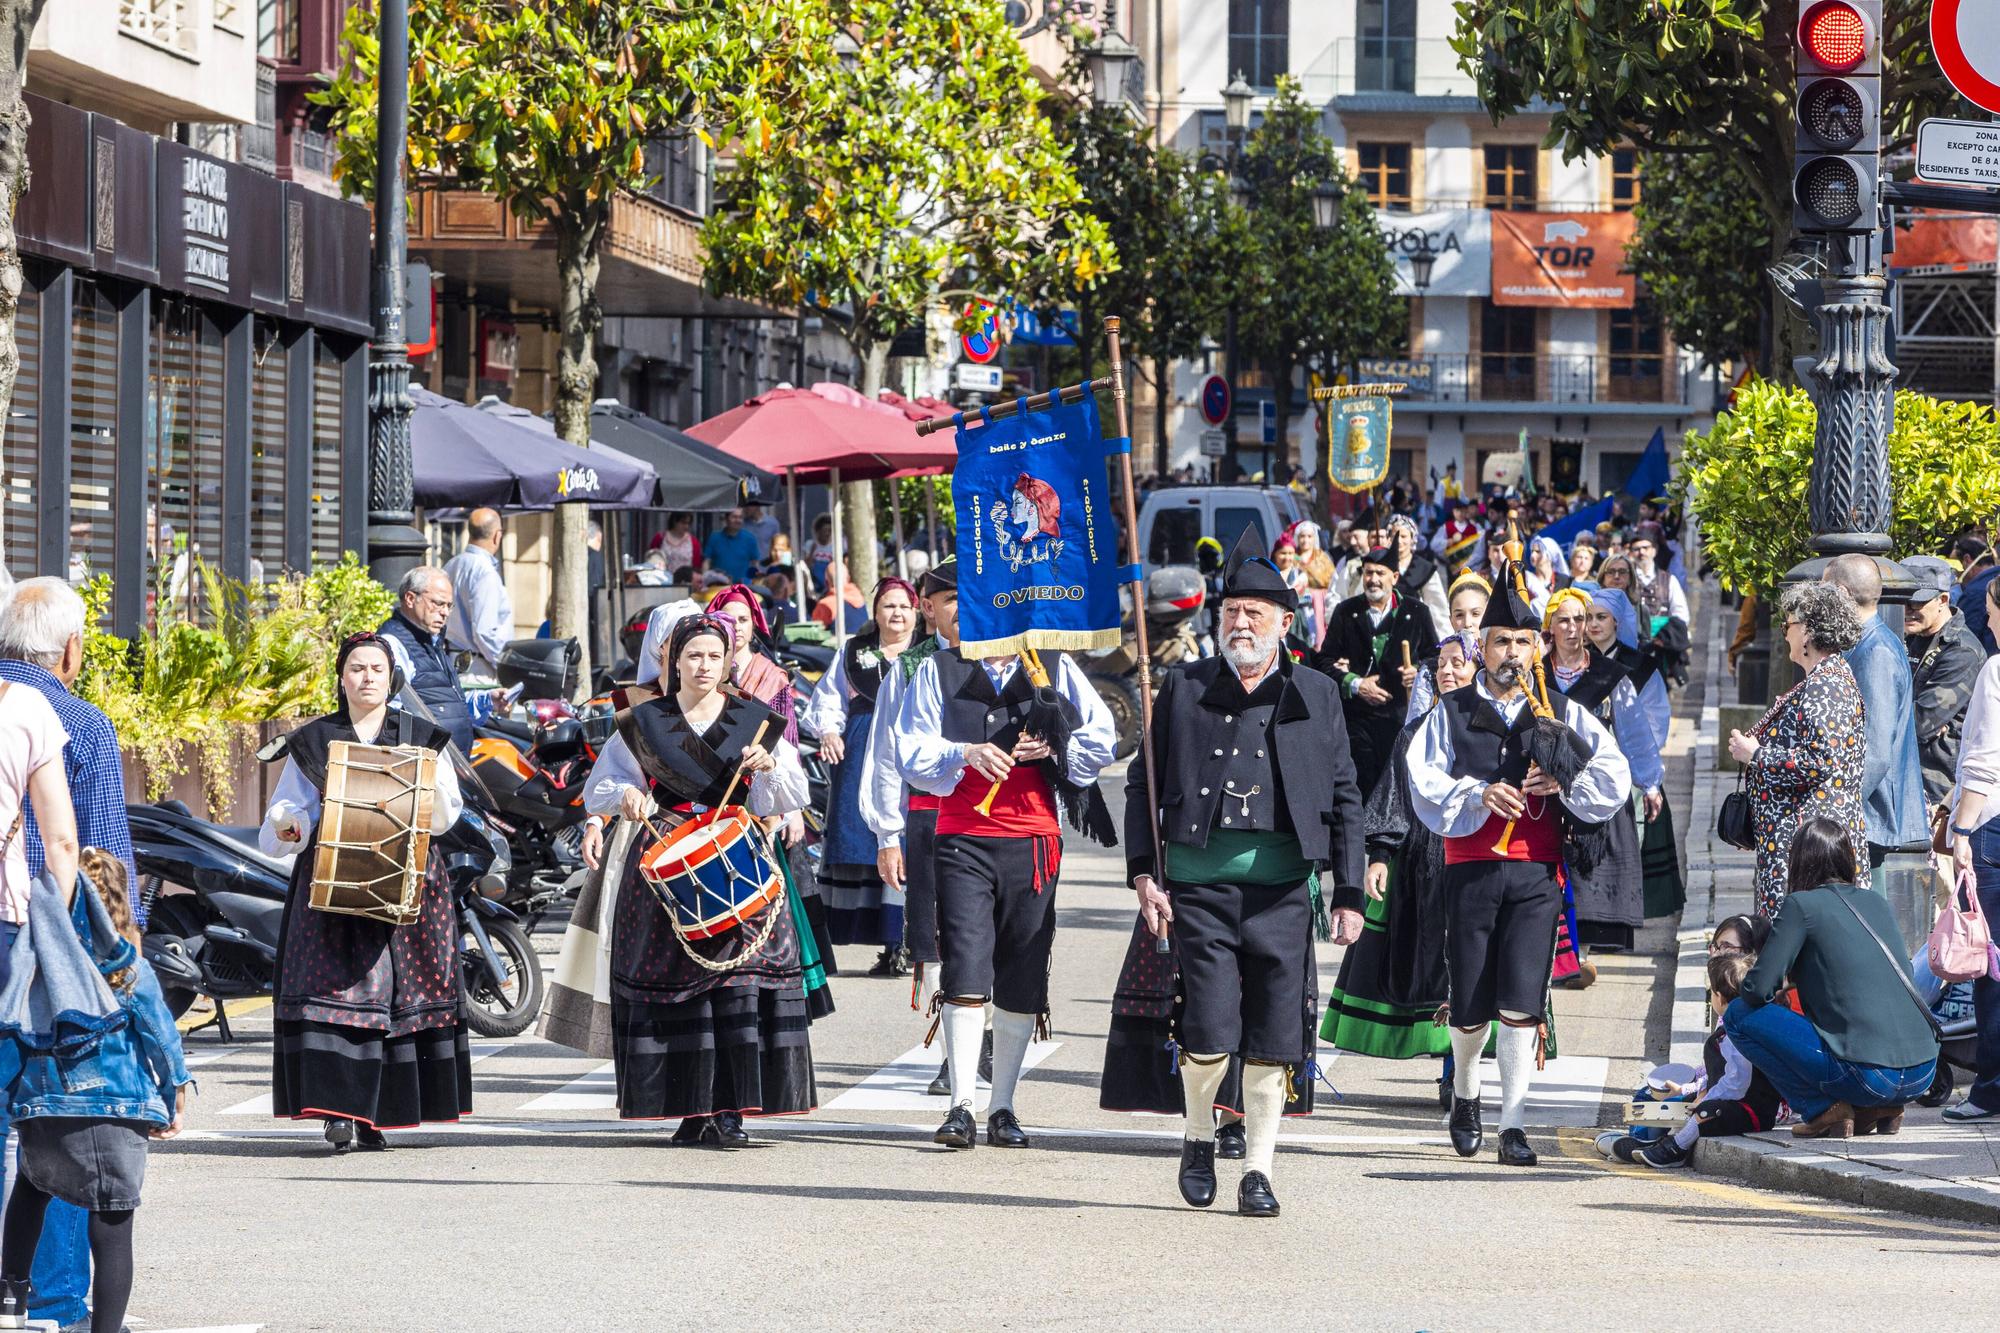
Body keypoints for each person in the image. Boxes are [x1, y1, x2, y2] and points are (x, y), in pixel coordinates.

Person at [1117, 545, 1365, 1217]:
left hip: (1284, 894)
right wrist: (1145, 874)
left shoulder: (1315, 693)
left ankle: (1258, 1168)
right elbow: (1143, 788)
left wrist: (1349, 892)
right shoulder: (1185, 688)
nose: (1240, 623)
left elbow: (1345, 794)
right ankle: (1198, 1136)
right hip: (1199, 892)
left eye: (1254, 612)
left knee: (1273, 1040)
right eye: (1230, 612)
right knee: (1208, 1030)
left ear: (1285, 622)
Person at [1405, 562, 1631, 1167]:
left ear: (1538, 647)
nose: (1511, 651)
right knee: (1471, 1000)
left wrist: (1564, 782)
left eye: (1523, 641)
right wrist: (1477, 794)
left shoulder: (1559, 710)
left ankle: (1512, 1123)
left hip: (1537, 874)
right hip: (1471, 870)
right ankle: (1465, 1093)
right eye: (1501, 640)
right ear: (1481, 647)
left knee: (1523, 1001)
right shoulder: (1449, 713)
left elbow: (1614, 776)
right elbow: (1422, 780)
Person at [890, 612, 1118, 1152]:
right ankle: (961, 1106)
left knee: (1022, 969)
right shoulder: (940, 669)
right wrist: (962, 752)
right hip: (963, 835)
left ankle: (1004, 1106)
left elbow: (1102, 734)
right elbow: (908, 746)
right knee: (966, 964)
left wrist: (1056, 746)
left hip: (1033, 840)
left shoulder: (1053, 667)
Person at [582, 615, 814, 1142]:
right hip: (666, 857)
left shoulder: (755, 721)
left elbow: (791, 793)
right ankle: (690, 1109)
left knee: (738, 984)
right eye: (694, 656)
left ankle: (729, 1111)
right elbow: (605, 783)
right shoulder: (643, 721)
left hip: (736, 859)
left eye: (714, 656)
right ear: (674, 662)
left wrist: (770, 768)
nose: (704, 665)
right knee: (678, 987)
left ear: (729, 660)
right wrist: (622, 799)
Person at [261, 634, 472, 1152]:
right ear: (341, 677)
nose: (368, 677)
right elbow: (288, 812)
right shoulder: (314, 740)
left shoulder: (422, 737)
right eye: (357, 668)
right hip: (331, 886)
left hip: (407, 883)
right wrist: (291, 827)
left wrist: (415, 789)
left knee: (399, 994)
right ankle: (339, 1111)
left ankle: (380, 1113)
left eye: (377, 668)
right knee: (336, 995)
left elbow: (447, 812)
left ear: (392, 677)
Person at [0, 578, 132, 1329]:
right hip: (36, 942)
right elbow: (92, 850)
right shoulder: (73, 719)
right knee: (51, 1121)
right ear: (71, 650)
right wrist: (118, 959)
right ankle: (51, 1300)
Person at [0, 850, 190, 1333]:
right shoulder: (125, 968)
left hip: (39, 1102)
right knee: (112, 1220)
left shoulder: (37, 964)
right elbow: (161, 1038)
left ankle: (11, 1300)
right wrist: (175, 1096)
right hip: (112, 1109)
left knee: (32, 1188)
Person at [1322, 631, 1481, 1091]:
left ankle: (1460, 1072)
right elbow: (1394, 793)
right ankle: (1451, 1069)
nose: (1447, 672)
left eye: (1458, 663)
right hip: (1422, 863)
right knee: (1432, 961)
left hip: (1474, 860)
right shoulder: (1415, 732)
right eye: (1442, 665)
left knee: (1468, 961)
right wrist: (1380, 855)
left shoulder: (1495, 729)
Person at [1724, 817, 1940, 1139]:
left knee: (1738, 1016)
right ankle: (1881, 1108)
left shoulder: (1801, 905)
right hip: (1924, 1070)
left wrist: (1781, 985)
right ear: (1847, 858)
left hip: (1871, 1075)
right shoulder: (1876, 902)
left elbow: (1756, 990)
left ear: (1798, 862)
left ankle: (1822, 1109)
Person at [861, 559, 959, 1093]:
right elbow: (884, 755)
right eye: (949, 600)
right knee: (937, 938)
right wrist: (888, 835)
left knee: (994, 936)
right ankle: (955, 1050)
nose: (961, 610)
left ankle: (986, 1036)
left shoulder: (1007, 657)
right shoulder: (910, 667)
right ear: (928, 608)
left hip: (996, 819)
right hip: (928, 817)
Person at [1726, 582, 1868, 920]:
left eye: (1788, 625)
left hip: (1808, 845)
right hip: (1799, 839)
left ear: (1806, 631)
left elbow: (1822, 761)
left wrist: (1756, 754)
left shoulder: (1826, 686)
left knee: (1797, 935)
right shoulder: (1823, 680)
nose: (1784, 634)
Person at [805, 578, 923, 973]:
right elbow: (829, 698)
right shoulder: (854, 651)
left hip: (911, 749)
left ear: (917, 610)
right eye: (889, 606)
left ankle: (904, 941)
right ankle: (877, 939)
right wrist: (829, 730)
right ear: (875, 612)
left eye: (904, 606)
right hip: (859, 748)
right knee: (860, 839)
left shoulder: (928, 652)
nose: (897, 614)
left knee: (908, 838)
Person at [1545, 588, 1659, 955]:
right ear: (1550, 626)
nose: (1574, 627)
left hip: (1594, 787)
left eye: (1580, 619)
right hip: (1545, 789)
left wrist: (1650, 783)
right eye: (1564, 620)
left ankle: (1580, 952)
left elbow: (1633, 732)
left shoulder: (1611, 677)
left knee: (1589, 875)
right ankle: (1559, 951)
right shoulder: (1536, 675)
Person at [1821, 554, 1926, 869]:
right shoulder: (1870, 643)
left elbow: (1875, 749)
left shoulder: (1876, 651)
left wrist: (1837, 810)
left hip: (1868, 817)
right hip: (1863, 815)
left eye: (1825, 589)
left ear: (1841, 592)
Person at [1585, 587, 1683, 918]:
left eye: (1602, 617)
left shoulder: (1640, 665)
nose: (1594, 625)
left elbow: (1656, 716)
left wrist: (1639, 758)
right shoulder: (1578, 663)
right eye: (1589, 618)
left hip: (1631, 765)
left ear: (1617, 622)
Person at [1315, 547, 1439, 793]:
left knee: (1398, 787)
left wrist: (1418, 672)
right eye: (1368, 572)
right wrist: (1356, 684)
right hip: (1357, 719)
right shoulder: (1346, 611)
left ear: (1394, 577)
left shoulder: (1416, 612)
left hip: (1401, 718)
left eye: (1380, 573)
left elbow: (1434, 659)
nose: (1373, 579)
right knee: (1361, 786)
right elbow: (1323, 662)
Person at [1941, 628, 2000, 1121]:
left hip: (1993, 826)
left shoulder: (1997, 670)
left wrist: (1961, 830)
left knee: (1992, 962)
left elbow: (1982, 764)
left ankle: (1992, 1088)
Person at [1903, 555, 1984, 809]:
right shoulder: (1906, 637)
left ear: (1943, 600)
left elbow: (1920, 723)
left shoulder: (1962, 651)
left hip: (1935, 791)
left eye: (1916, 604)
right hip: (1905, 778)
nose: (1908, 610)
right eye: (1903, 601)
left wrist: (1903, 711)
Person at [375, 567, 474, 754]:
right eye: (438, 603)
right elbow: (389, 712)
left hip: (452, 763)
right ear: (411, 599)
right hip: (425, 762)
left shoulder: (433, 640)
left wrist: (486, 701)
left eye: (449, 606)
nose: (444, 612)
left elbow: (442, 699)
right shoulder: (393, 643)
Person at [444, 507, 513, 677]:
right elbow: (485, 631)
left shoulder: (451, 565)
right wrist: (506, 665)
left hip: (455, 661)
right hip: (479, 670)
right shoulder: (485, 573)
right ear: (497, 535)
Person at [1387, 515, 1452, 636]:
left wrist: (1444, 640)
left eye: (1404, 536)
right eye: (1395, 535)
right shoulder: (1383, 567)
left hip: (1417, 633)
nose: (1399, 540)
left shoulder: (1424, 569)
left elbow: (1437, 609)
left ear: (1412, 539)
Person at [705, 507, 763, 584]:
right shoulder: (714, 538)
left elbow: (755, 564)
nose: (738, 520)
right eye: (734, 517)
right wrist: (704, 580)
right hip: (718, 586)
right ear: (726, 519)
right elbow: (706, 562)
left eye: (740, 517)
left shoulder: (750, 538)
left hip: (742, 588)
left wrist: (752, 581)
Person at [812, 561, 868, 634]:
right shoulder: (860, 598)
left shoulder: (825, 604)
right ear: (848, 578)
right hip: (863, 643)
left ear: (826, 582)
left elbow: (814, 631)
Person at [651, 513, 701, 580]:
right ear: (674, 521)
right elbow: (651, 561)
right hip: (663, 582)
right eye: (683, 523)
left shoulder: (694, 542)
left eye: (688, 523)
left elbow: (696, 567)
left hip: (685, 583)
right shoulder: (660, 538)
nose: (686, 526)